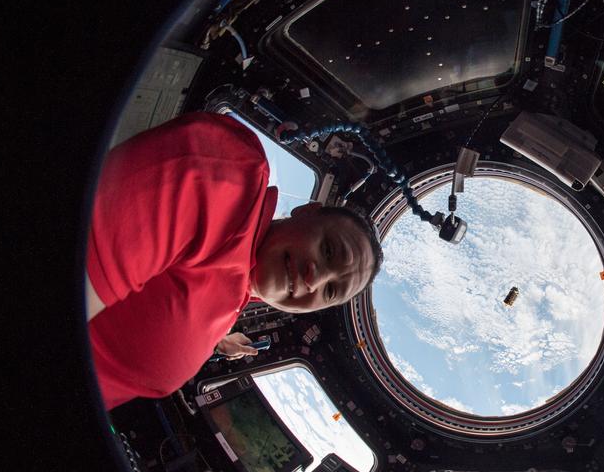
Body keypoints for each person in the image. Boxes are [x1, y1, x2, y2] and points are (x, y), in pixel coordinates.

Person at [86, 111, 382, 410]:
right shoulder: (230, 178)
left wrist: (214, 338)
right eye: (329, 250)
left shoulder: (239, 295)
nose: (313, 279)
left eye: (330, 291)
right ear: (306, 211)